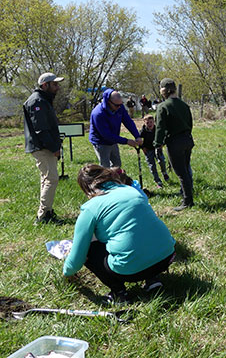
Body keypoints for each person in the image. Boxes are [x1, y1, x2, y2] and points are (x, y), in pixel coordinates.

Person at [63, 164, 176, 304]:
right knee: (140, 231)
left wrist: (66, 272)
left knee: (89, 248)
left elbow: (77, 258)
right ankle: (153, 279)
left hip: (131, 270)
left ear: (86, 189)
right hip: (167, 256)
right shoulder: (132, 190)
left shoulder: (90, 208)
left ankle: (119, 293)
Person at [23, 72, 66, 224]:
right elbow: (40, 129)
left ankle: (47, 211)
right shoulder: (37, 102)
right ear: (44, 85)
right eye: (54, 84)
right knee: (51, 179)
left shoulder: (43, 100)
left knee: (46, 179)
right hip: (42, 147)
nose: (57, 87)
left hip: (45, 146)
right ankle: (43, 216)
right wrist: (54, 147)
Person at [154, 78, 194, 211]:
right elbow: (190, 124)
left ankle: (188, 201)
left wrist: (157, 144)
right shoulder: (184, 105)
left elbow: (160, 128)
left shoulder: (163, 107)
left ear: (163, 91)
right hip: (187, 139)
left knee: (181, 172)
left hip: (175, 142)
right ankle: (185, 193)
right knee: (186, 169)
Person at [88, 89, 143, 168]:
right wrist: (126, 141)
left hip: (113, 140)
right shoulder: (98, 114)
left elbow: (128, 122)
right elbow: (107, 135)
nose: (119, 107)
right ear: (108, 102)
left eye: (121, 104)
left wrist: (137, 136)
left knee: (117, 165)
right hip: (101, 142)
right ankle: (105, 180)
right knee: (105, 167)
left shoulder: (119, 107)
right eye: (117, 105)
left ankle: (115, 180)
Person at [140, 114, 170, 188]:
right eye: (147, 123)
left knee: (161, 161)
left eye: (151, 122)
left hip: (157, 147)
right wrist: (142, 147)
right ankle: (158, 181)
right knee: (152, 165)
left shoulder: (157, 129)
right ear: (144, 123)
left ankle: (164, 173)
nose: (149, 124)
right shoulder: (143, 130)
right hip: (148, 149)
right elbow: (139, 140)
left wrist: (162, 144)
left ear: (154, 122)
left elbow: (164, 136)